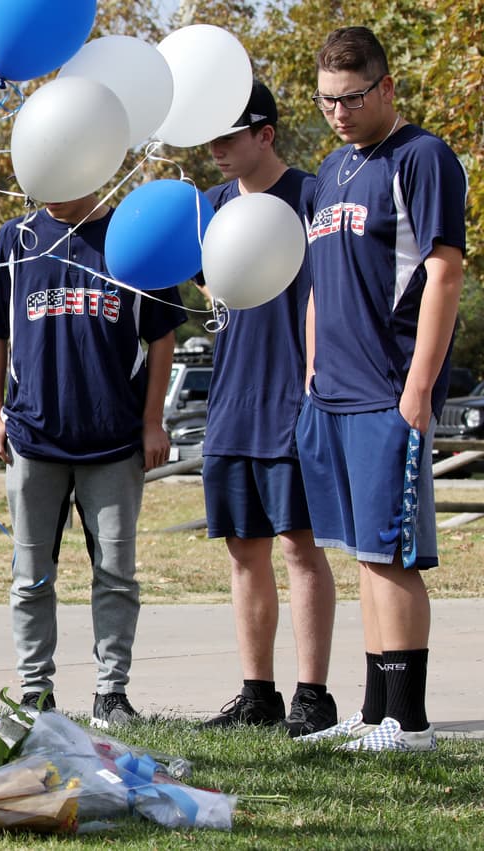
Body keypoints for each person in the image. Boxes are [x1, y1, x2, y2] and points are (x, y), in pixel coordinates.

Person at [295, 26, 466, 751]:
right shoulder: (331, 168)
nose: (339, 112)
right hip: (330, 392)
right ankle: (374, 712)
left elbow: (444, 272)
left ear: (387, 88)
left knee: (392, 554)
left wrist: (419, 385)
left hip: (387, 389)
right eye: (328, 99)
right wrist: (309, 370)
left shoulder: (422, 157)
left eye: (354, 97)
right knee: (363, 551)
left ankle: (410, 721)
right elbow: (313, 283)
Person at [0, 192, 185, 727]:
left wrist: (152, 420)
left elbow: (161, 336)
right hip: (33, 435)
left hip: (113, 441)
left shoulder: (133, 238)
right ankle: (33, 694)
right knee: (30, 577)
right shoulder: (15, 239)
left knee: (116, 575)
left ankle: (111, 695)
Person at [197, 83, 339, 737]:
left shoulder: (312, 198)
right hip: (230, 400)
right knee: (242, 548)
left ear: (266, 135)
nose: (217, 151)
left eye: (230, 137)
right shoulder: (209, 209)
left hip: (293, 398)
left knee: (299, 547)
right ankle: (259, 693)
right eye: (211, 139)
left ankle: (314, 695)